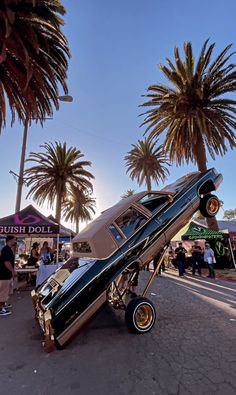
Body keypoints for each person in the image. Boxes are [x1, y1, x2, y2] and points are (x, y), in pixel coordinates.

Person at [0, 235, 17, 316]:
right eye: (14, 240)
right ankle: (1, 308)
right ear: (10, 240)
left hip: (6, 274)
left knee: (6, 291)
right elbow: (7, 262)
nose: (15, 241)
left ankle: (3, 304)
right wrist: (13, 271)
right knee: (3, 292)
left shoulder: (8, 249)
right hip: (4, 274)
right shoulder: (5, 250)